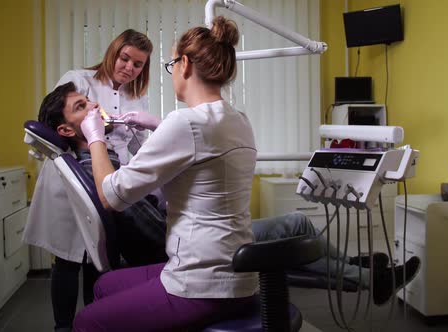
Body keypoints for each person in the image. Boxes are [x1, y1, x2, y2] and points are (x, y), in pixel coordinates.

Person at [75, 17, 420, 331]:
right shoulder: (237, 119)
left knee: (87, 321)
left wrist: (94, 136)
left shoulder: (185, 123)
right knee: (105, 286)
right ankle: (365, 271)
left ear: (184, 64)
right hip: (233, 271)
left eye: (170, 64)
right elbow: (199, 151)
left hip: (201, 283)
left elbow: (111, 195)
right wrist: (157, 127)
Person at [23, 28, 156, 332]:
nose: (129, 68)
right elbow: (53, 125)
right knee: (68, 260)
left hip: (108, 181)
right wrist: (97, 134)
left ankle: (93, 323)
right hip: (71, 181)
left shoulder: (136, 97)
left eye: (137, 65)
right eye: (125, 58)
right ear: (114, 51)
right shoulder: (79, 80)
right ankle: (63, 327)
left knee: (100, 261)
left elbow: (136, 147)